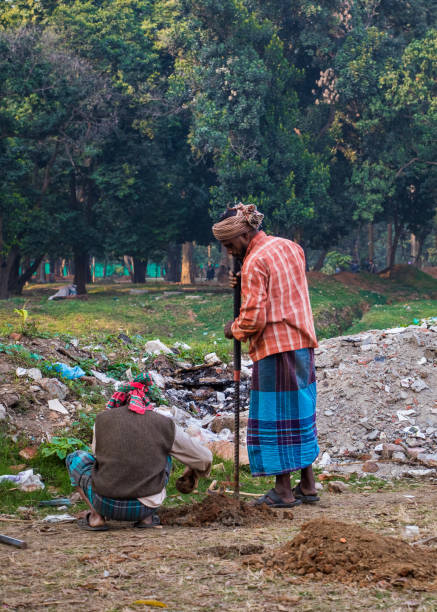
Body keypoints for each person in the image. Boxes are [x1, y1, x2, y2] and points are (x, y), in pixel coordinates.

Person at [212, 203, 320, 508]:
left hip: (275, 348)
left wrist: (234, 329)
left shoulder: (254, 262)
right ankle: (308, 484)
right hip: (302, 343)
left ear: (245, 233)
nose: (229, 252)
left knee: (276, 417)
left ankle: (283, 491)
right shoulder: (291, 247)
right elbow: (278, 288)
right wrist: (244, 281)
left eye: (231, 245)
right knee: (300, 412)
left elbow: (254, 318)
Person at [66, 373, 212, 530]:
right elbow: (204, 458)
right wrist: (193, 470)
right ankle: (147, 520)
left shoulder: (102, 420)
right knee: (165, 456)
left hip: (105, 503)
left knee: (75, 458)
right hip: (146, 507)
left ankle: (96, 517)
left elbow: (97, 457)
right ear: (145, 399)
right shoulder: (164, 424)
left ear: (120, 398)